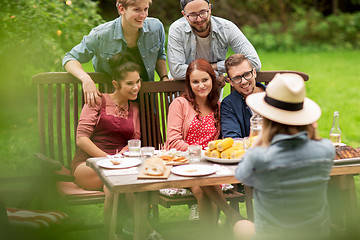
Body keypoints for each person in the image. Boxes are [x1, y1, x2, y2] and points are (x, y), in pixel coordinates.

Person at [234, 73, 335, 240]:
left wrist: (260, 138)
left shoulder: (260, 157)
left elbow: (241, 176)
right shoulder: (325, 150)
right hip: (315, 234)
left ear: (267, 118)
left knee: (240, 226)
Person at [165, 58, 243, 228]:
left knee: (204, 185)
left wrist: (210, 157)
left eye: (205, 80)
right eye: (195, 81)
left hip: (211, 165)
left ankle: (212, 231)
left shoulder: (218, 107)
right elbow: (173, 141)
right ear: (189, 84)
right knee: (203, 184)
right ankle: (230, 215)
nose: (201, 85)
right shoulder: (179, 104)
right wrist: (201, 153)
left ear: (212, 81)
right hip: (183, 163)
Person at [62, 0, 171, 107]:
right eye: (137, 10)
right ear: (121, 9)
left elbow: (160, 55)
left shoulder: (156, 28)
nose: (143, 15)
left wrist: (164, 77)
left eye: (145, 9)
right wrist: (86, 80)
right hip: (113, 105)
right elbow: (70, 58)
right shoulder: (101, 35)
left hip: (146, 103)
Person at [167, 0, 261, 96]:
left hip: (212, 96)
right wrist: (215, 75)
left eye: (203, 13)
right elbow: (177, 70)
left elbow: (254, 63)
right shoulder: (177, 30)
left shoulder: (227, 28)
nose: (199, 19)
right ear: (184, 15)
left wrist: (213, 67)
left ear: (210, 9)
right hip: (182, 94)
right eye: (193, 15)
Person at [220, 54, 266, 138]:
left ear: (254, 73)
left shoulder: (273, 95)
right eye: (237, 78)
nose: (244, 81)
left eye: (247, 74)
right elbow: (232, 138)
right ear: (230, 82)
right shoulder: (229, 105)